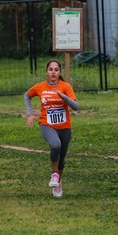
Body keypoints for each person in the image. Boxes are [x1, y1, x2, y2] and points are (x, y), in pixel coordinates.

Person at [25, 59, 78, 198]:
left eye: (56, 70)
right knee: (55, 145)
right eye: (50, 69)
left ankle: (58, 182)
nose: (53, 72)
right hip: (46, 125)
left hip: (65, 127)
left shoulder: (65, 86)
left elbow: (76, 106)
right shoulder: (40, 87)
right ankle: (54, 175)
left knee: (62, 157)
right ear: (46, 71)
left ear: (60, 72)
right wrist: (30, 113)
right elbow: (27, 95)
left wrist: (63, 96)